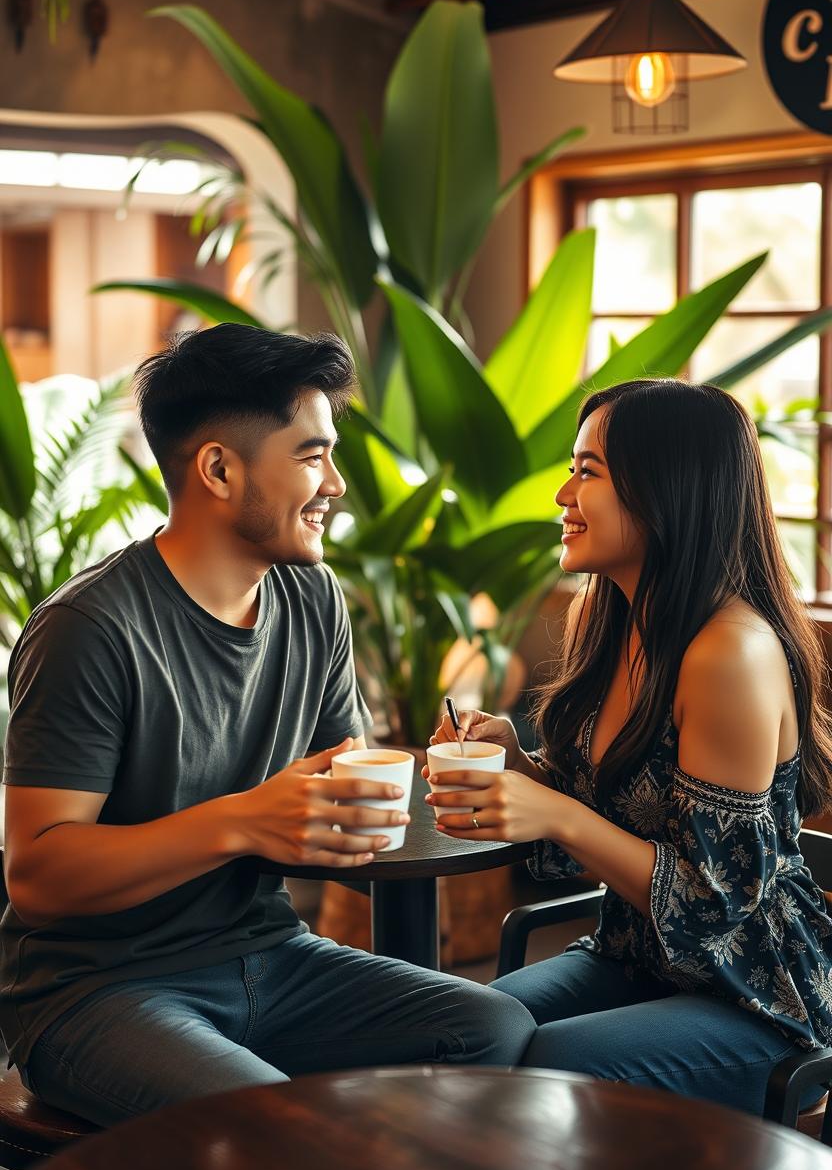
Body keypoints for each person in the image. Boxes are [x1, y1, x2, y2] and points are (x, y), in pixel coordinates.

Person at [0, 323, 534, 1127]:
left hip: (269, 955)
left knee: (494, 1027)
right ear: (218, 468)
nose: (338, 484)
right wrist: (245, 822)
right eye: (312, 455)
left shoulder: (313, 602)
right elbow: (37, 877)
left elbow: (331, 788)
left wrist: (384, 805)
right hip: (96, 987)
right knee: (275, 1128)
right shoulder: (90, 627)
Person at [426, 378, 832, 1116]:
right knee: (465, 1027)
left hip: (755, 993)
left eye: (586, 472)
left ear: (664, 488)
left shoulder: (729, 655)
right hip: (634, 955)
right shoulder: (607, 614)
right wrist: (519, 767)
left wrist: (552, 816)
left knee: (554, 1066)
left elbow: (715, 907)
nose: (561, 496)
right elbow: (610, 809)